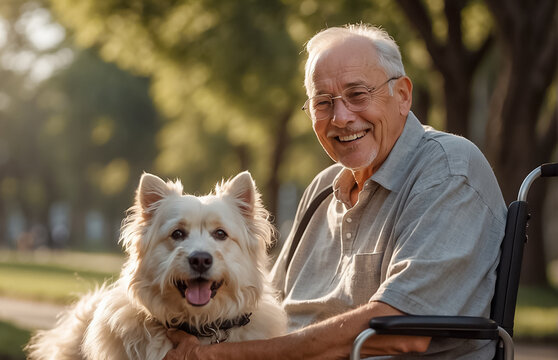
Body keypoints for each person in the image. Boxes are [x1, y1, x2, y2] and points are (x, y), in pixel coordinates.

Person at [164, 23, 506, 359]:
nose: (341, 118)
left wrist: (221, 356)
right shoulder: (322, 189)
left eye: (357, 94)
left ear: (402, 95)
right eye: (323, 102)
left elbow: (403, 328)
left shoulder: (447, 170)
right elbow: (262, 300)